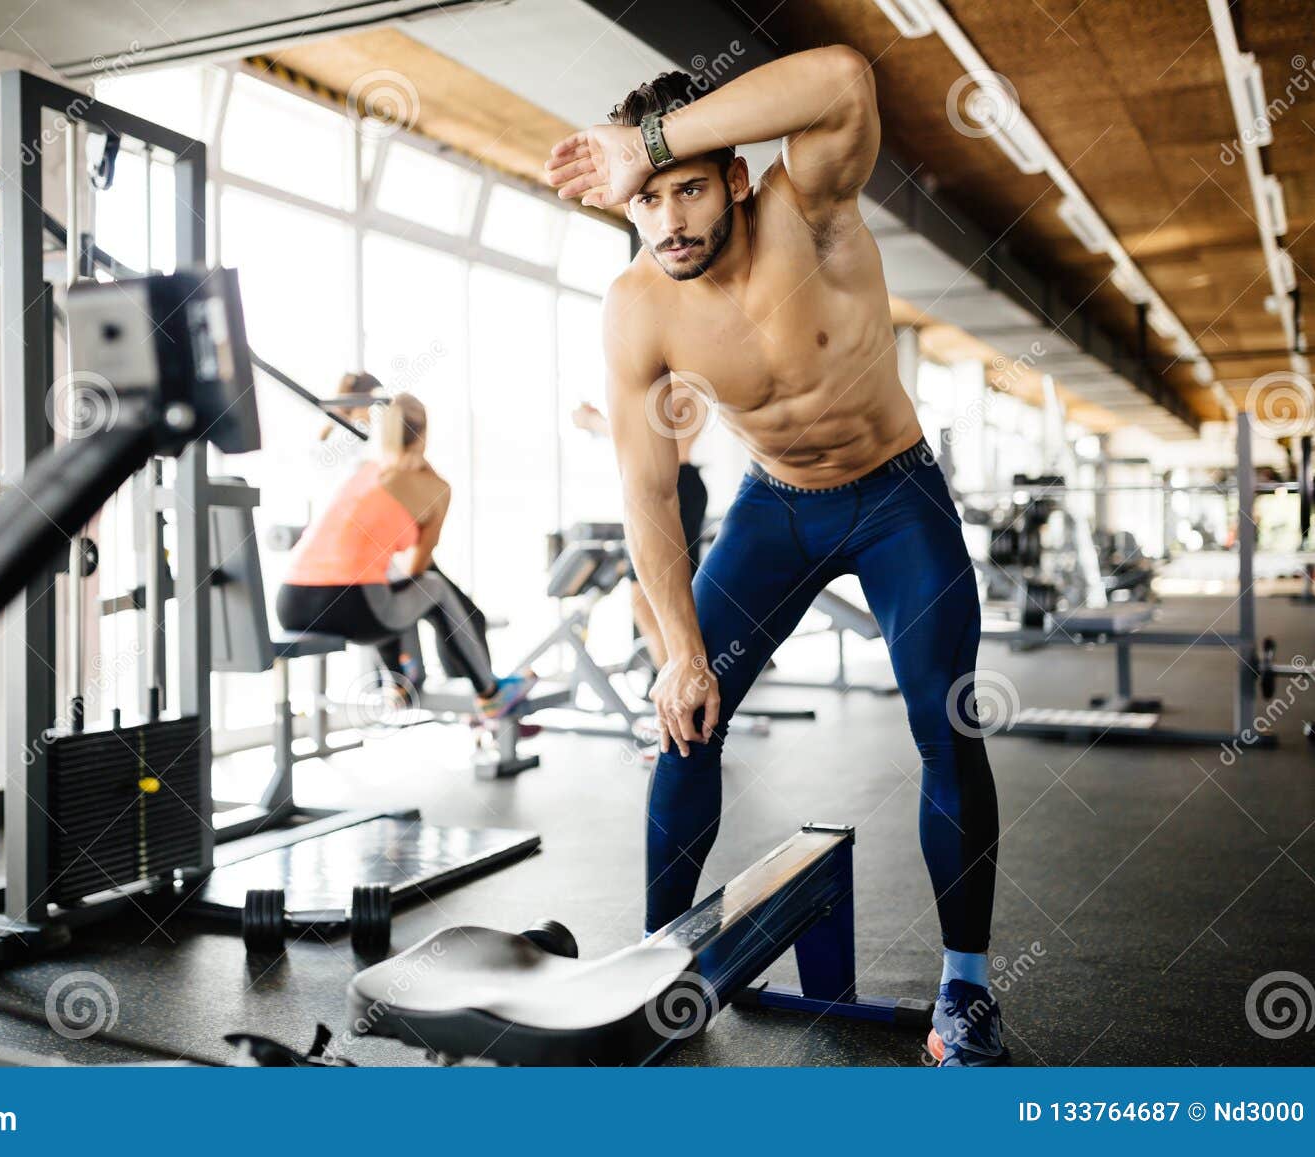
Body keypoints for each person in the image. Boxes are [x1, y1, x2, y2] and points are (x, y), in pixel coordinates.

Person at [545, 53, 1006, 1066]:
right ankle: (655, 965)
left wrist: (647, 141)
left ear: (737, 180)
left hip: (894, 496)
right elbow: (648, 490)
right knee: (684, 720)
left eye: (689, 188)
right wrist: (676, 650)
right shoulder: (637, 305)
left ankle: (966, 991)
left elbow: (843, 77)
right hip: (772, 509)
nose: (668, 219)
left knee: (947, 724)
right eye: (647, 199)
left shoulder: (814, 210)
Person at [277, 392, 532, 718]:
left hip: (291, 602)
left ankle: (401, 683)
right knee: (430, 586)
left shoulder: (364, 473)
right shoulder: (436, 489)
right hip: (350, 606)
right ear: (424, 435)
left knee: (385, 578)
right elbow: (417, 566)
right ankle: (490, 693)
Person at [570, 396, 708, 672]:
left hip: (671, 485)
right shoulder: (683, 377)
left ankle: (679, 681)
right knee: (653, 599)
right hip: (672, 484)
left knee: (650, 598)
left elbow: (647, 439)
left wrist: (592, 421)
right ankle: (675, 680)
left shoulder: (682, 379)